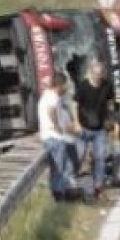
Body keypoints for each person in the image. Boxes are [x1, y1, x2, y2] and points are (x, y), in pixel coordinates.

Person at [74, 60, 114, 198]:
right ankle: (71, 181)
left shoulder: (107, 85)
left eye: (100, 74)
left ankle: (98, 186)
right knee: (79, 155)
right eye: (96, 74)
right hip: (84, 126)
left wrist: (109, 119)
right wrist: (76, 123)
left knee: (100, 157)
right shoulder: (83, 86)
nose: (98, 77)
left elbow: (109, 103)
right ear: (91, 73)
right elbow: (75, 104)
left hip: (99, 128)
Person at [38, 72, 78, 201]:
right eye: (64, 85)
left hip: (47, 136)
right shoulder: (53, 96)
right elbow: (51, 111)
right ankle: (59, 193)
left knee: (60, 166)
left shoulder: (45, 95)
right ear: (59, 85)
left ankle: (62, 191)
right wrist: (57, 126)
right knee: (59, 167)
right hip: (54, 137)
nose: (65, 88)